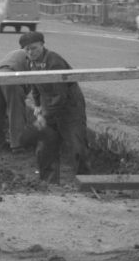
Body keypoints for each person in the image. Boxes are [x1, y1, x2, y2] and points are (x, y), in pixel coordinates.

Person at [19, 31, 89, 178]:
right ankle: (48, 182)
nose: (31, 52)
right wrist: (38, 106)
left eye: (34, 48)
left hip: (70, 108)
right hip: (49, 107)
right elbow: (35, 86)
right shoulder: (30, 63)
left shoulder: (54, 61)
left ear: (42, 45)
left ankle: (86, 181)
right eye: (27, 49)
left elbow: (60, 95)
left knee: (77, 145)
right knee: (45, 145)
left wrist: (45, 116)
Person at [0, 48, 31, 152]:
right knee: (16, 111)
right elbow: (34, 81)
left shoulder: (17, 52)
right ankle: (17, 145)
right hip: (12, 77)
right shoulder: (36, 56)